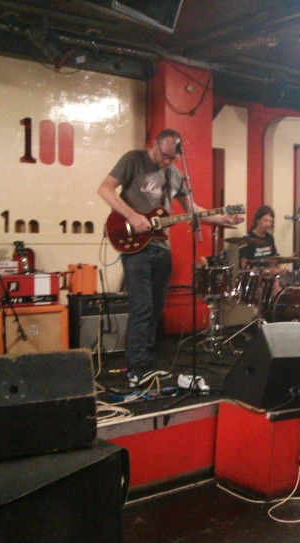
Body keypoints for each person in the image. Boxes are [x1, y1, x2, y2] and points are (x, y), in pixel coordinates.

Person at [97, 129, 243, 387]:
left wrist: (223, 218)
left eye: (170, 158)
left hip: (161, 248)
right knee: (141, 306)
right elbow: (105, 189)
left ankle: (147, 362)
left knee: (155, 308)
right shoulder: (133, 160)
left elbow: (193, 211)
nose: (165, 162)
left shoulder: (175, 174)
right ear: (155, 144)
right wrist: (132, 215)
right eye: (163, 156)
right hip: (135, 246)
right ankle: (136, 368)